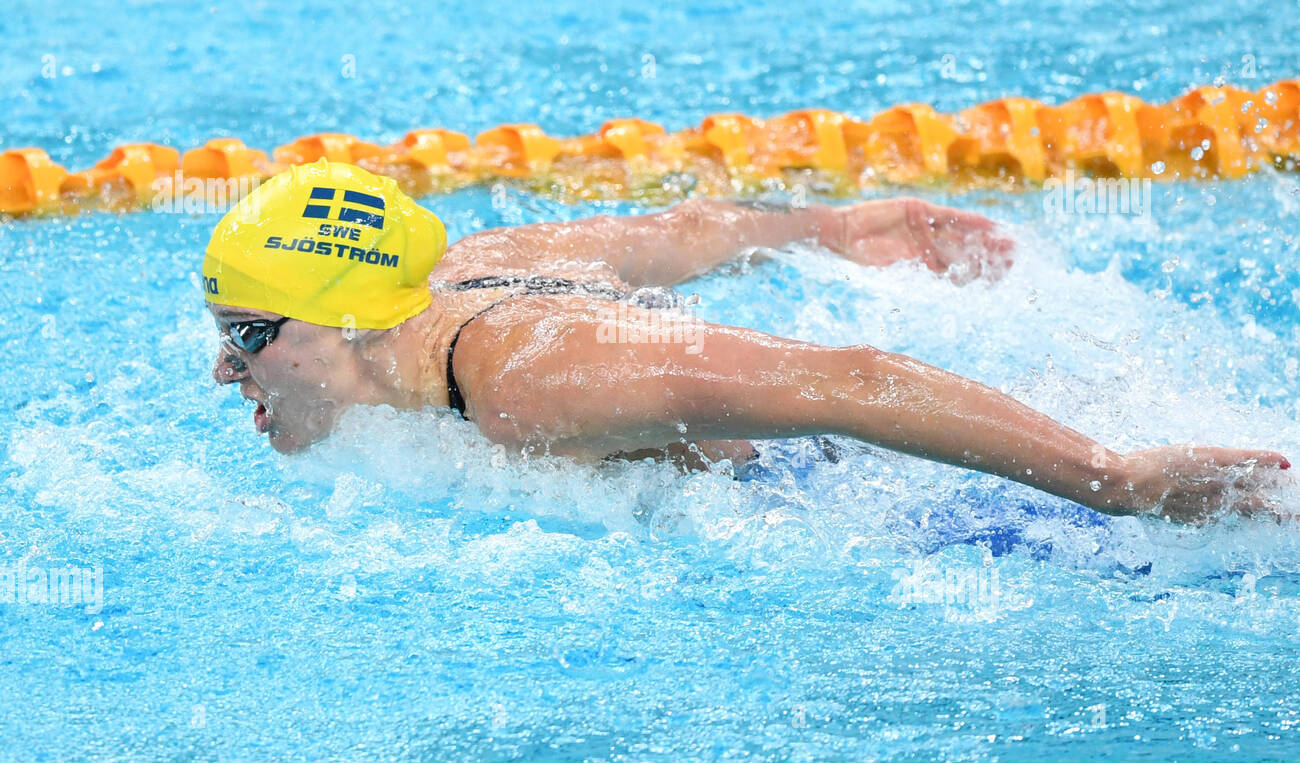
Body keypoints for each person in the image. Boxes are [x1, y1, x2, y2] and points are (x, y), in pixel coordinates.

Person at [204, 160, 1290, 525]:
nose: (224, 370)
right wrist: (835, 228)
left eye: (245, 336)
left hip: (922, 491)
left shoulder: (528, 384)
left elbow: (846, 382)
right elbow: (683, 231)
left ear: (343, 319)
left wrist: (1112, 476)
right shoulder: (463, 265)